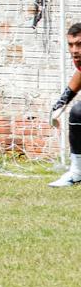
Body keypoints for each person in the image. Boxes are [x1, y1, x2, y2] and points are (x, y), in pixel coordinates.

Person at [46, 23, 81, 187]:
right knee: (78, 113)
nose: (74, 50)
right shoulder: (79, 59)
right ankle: (77, 172)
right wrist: (63, 101)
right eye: (71, 45)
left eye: (79, 44)